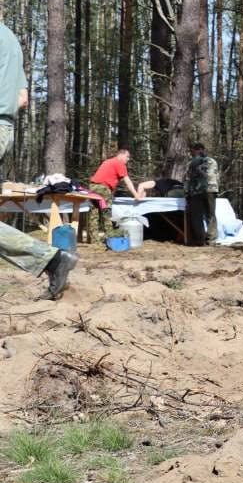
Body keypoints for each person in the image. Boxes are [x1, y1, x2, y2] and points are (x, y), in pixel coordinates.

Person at [0, 22, 76, 299]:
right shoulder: (10, 40)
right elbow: (22, 99)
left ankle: (51, 259)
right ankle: (52, 260)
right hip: (5, 128)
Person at [88, 148, 151, 237]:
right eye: (127, 157)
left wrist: (111, 193)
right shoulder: (119, 163)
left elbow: (108, 179)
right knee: (107, 212)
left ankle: (94, 239)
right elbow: (127, 181)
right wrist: (136, 195)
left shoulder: (108, 161)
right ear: (121, 155)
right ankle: (110, 236)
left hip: (92, 187)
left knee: (94, 213)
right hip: (103, 188)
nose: (128, 159)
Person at [183, 142, 220, 247]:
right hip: (209, 190)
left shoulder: (191, 163)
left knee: (200, 215)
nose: (195, 152)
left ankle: (202, 239)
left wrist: (186, 193)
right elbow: (216, 177)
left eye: (194, 151)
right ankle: (208, 239)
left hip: (198, 191)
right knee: (208, 215)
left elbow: (187, 179)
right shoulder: (212, 161)